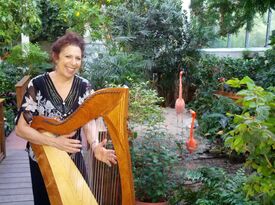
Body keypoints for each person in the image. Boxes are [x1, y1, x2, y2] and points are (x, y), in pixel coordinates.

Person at [15, 32, 117, 205]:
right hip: (42, 158)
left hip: (73, 154)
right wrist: (55, 143)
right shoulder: (37, 84)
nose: (73, 63)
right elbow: (21, 128)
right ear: (56, 57)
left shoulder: (84, 86)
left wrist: (94, 146)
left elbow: (87, 120)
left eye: (78, 58)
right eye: (68, 56)